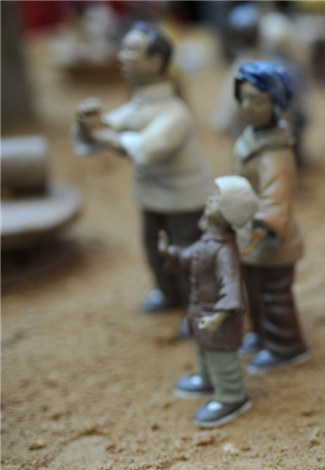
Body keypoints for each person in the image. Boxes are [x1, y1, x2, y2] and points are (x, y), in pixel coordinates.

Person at [71, 22, 214, 314]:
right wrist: (88, 126)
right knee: (154, 251)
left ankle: (199, 308)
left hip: (185, 203)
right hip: (153, 199)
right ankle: (168, 294)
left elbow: (147, 148)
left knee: (187, 257)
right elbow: (111, 127)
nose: (122, 56)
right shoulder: (140, 106)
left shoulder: (175, 113)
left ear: (155, 62)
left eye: (131, 50)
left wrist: (101, 133)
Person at [158, 176, 258, 428]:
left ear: (227, 211)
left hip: (218, 315)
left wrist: (220, 316)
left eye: (215, 199)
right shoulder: (210, 240)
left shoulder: (225, 250)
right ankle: (206, 378)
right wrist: (170, 253)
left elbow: (232, 286)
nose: (208, 201)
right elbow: (191, 257)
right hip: (202, 310)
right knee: (203, 349)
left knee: (221, 356)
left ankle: (232, 396)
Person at [232, 60, 309, 374]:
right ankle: (262, 335)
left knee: (274, 295)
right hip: (249, 233)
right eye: (244, 98)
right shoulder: (253, 137)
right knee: (254, 292)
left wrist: (263, 225)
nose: (248, 106)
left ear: (276, 103)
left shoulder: (276, 151)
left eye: (258, 100)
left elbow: (277, 195)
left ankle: (286, 344)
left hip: (271, 237)